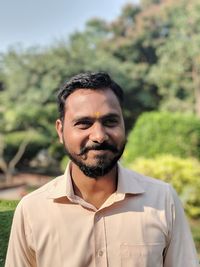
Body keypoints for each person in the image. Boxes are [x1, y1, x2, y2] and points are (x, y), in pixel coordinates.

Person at [5, 72, 199, 267]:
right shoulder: (32, 210)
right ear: (60, 131)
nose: (99, 136)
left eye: (110, 122)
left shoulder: (162, 200)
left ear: (124, 125)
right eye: (84, 124)